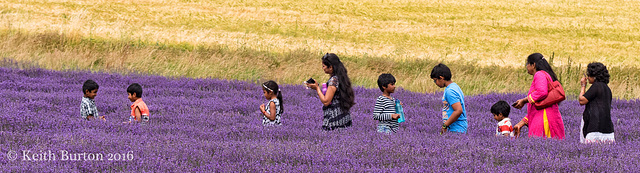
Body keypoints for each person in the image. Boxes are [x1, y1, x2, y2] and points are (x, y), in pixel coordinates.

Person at [513, 53, 565, 139]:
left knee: (542, 144)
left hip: (544, 120)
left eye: (527, 64)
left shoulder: (539, 74)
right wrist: (521, 123)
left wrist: (524, 100)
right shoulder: (545, 75)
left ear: (533, 65)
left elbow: (542, 92)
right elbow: (538, 107)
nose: (526, 67)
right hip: (546, 117)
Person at [305, 53, 355, 130]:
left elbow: (326, 101)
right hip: (344, 116)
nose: (323, 68)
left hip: (334, 118)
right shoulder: (341, 78)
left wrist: (317, 89)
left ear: (331, 67)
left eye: (324, 66)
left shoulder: (333, 80)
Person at [578, 62, 615, 143]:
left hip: (595, 129)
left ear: (594, 76)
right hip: (607, 129)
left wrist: (583, 86)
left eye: (588, 75)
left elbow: (582, 100)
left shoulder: (596, 86)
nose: (587, 78)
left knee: (591, 153)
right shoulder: (607, 89)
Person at [431, 63, 467, 134]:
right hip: (455, 127)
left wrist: (445, 125)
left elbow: (458, 110)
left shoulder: (450, 91)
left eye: (435, 80)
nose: (435, 83)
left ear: (441, 78)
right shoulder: (455, 87)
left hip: (456, 128)